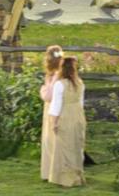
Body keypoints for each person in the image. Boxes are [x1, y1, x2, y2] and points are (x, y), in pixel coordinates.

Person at [48, 56, 86, 187]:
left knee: (65, 147)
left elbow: (56, 106)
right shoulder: (80, 83)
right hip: (78, 115)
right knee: (76, 145)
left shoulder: (60, 84)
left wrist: (53, 123)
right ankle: (77, 176)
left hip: (66, 114)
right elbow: (81, 103)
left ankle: (66, 178)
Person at [39, 46, 63, 181]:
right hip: (58, 107)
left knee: (50, 139)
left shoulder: (54, 75)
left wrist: (42, 89)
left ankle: (51, 171)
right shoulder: (60, 73)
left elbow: (49, 95)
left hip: (52, 108)